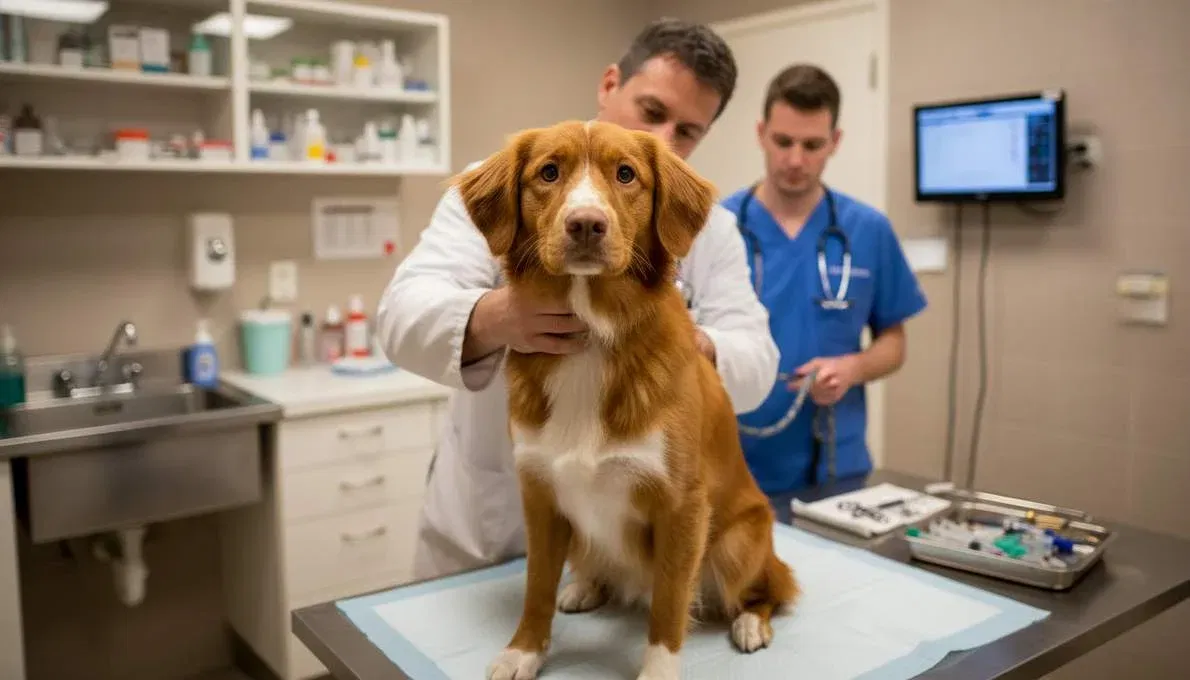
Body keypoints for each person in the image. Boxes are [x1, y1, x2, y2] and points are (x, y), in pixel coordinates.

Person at [376, 18, 779, 580]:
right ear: (610, 84)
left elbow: (757, 358)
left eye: (688, 131)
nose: (663, 141)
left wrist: (690, 346)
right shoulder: (506, 181)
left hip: (622, 559)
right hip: (495, 540)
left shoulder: (708, 226)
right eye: (652, 111)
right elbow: (399, 314)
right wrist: (497, 317)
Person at [721, 64, 927, 495]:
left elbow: (894, 342)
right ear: (761, 133)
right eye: (783, 142)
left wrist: (852, 368)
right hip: (728, 461)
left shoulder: (868, 229)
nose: (795, 160)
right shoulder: (717, 227)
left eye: (812, 145)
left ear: (835, 142)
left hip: (835, 465)